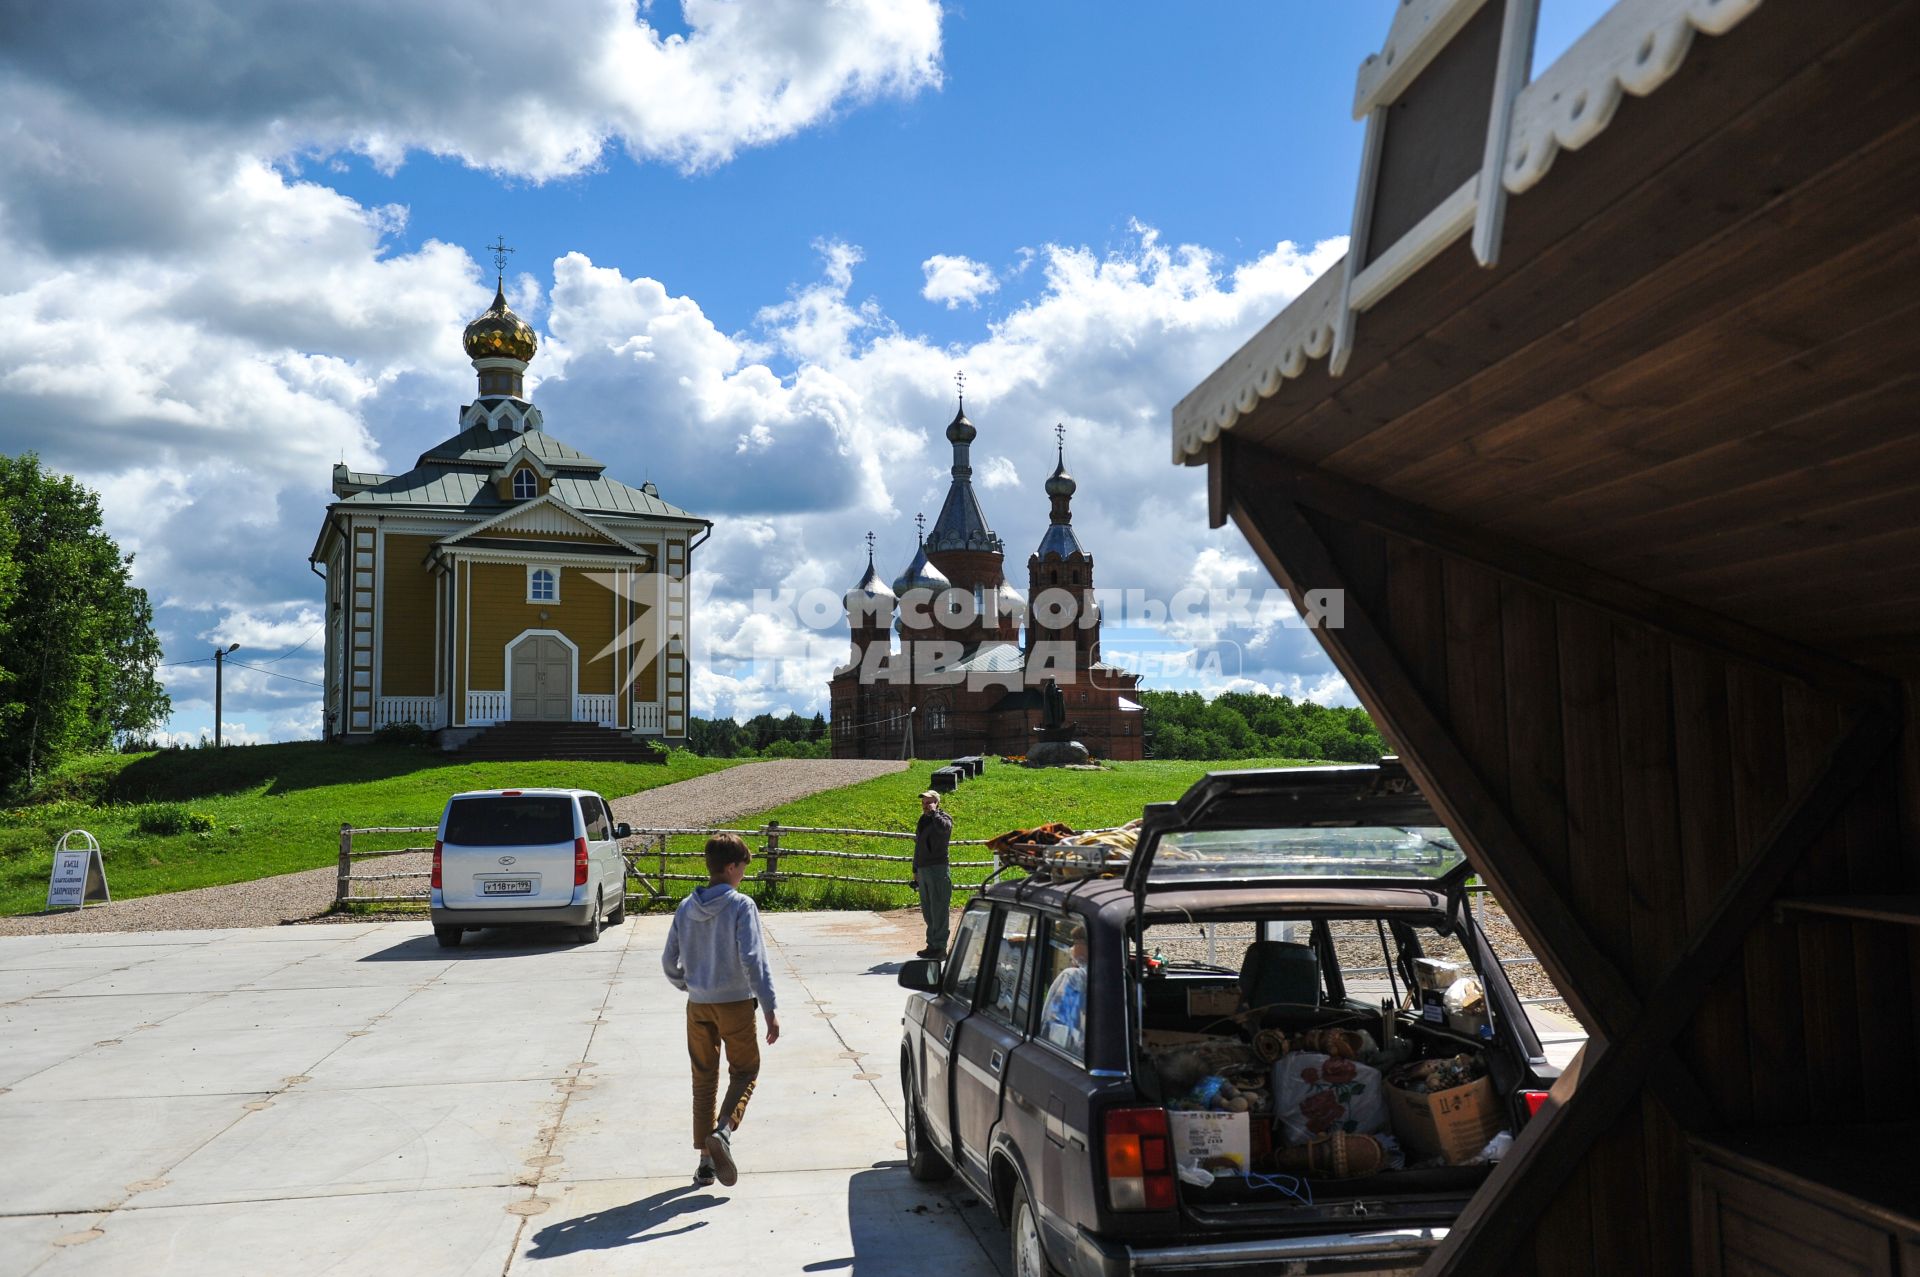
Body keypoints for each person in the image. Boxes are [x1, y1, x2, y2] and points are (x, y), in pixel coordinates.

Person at [662, 832, 780, 1189]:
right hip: (736, 1004)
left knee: (703, 1079)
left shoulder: (686, 906)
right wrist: (770, 1008)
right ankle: (724, 1132)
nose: (743, 874)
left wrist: (690, 985)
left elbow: (669, 960)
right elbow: (753, 960)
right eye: (743, 867)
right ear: (730, 867)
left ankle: (705, 1163)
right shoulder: (741, 905)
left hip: (697, 1006)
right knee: (745, 1071)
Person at [911, 790, 953, 959]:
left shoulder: (943, 818)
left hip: (938, 868)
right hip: (923, 869)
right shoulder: (923, 820)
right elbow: (918, 845)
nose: (925, 806)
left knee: (939, 909)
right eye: (923, 803)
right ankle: (932, 945)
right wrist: (915, 869)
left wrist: (935, 812)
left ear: (936, 803)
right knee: (928, 910)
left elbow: (944, 830)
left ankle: (940, 948)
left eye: (929, 802)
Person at [1040, 920, 1088, 1055]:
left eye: (1075, 943)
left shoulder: (1073, 977)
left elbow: (1054, 1025)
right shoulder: (1118, 978)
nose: (1071, 949)